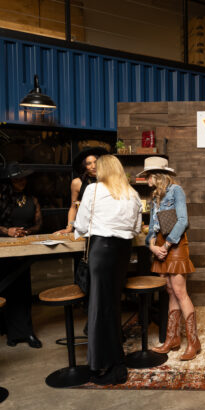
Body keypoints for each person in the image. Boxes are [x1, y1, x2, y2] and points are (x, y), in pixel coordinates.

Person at [73, 154, 142, 385]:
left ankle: (114, 367)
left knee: (100, 308)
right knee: (111, 306)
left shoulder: (93, 190)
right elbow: (136, 228)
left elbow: (81, 225)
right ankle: (113, 362)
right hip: (123, 251)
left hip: (101, 250)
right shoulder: (132, 193)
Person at [140, 157, 199, 360]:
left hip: (175, 245)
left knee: (180, 292)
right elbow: (151, 228)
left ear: (156, 176)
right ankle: (172, 339)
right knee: (170, 291)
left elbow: (183, 221)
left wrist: (165, 245)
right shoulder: (154, 197)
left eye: (148, 175)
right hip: (160, 246)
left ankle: (193, 342)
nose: (146, 179)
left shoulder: (176, 191)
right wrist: (152, 246)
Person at [0, 163, 43, 348]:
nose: (22, 181)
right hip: (1, 251)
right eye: (17, 179)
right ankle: (11, 333)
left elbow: (38, 224)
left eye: (23, 178)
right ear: (9, 182)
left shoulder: (32, 200)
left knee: (23, 291)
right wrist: (6, 231)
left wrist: (27, 231)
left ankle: (28, 332)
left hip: (23, 250)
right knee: (7, 292)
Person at [56, 146, 108, 235]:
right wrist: (69, 227)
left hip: (106, 225)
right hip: (86, 226)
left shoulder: (108, 180)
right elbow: (74, 207)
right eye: (89, 163)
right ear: (84, 166)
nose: (93, 166)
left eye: (96, 162)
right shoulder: (77, 183)